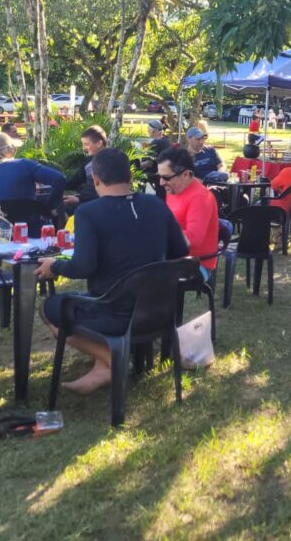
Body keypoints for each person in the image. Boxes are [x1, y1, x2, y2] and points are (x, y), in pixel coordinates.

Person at [35, 149, 189, 393]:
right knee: (86, 298)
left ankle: (110, 359)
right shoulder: (156, 205)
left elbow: (83, 266)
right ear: (130, 176)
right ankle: (103, 364)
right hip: (158, 309)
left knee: (49, 307)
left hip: (112, 310)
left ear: (95, 179)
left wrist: (54, 266)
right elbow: (181, 249)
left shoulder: (88, 212)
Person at [157, 148, 219, 281]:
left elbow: (193, 239)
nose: (161, 183)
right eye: (160, 176)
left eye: (166, 177)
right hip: (175, 258)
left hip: (197, 264)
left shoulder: (200, 198)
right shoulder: (174, 190)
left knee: (145, 277)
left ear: (185, 174)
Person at [0, 132, 66, 216]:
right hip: (28, 223)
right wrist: (49, 208)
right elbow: (59, 179)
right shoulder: (24, 165)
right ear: (8, 149)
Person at [63, 125, 108, 209]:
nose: (83, 148)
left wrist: (79, 200)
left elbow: (109, 191)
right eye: (83, 144)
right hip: (84, 200)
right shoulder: (88, 161)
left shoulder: (113, 160)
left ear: (99, 143)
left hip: (98, 206)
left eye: (86, 144)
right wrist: (53, 182)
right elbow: (75, 180)